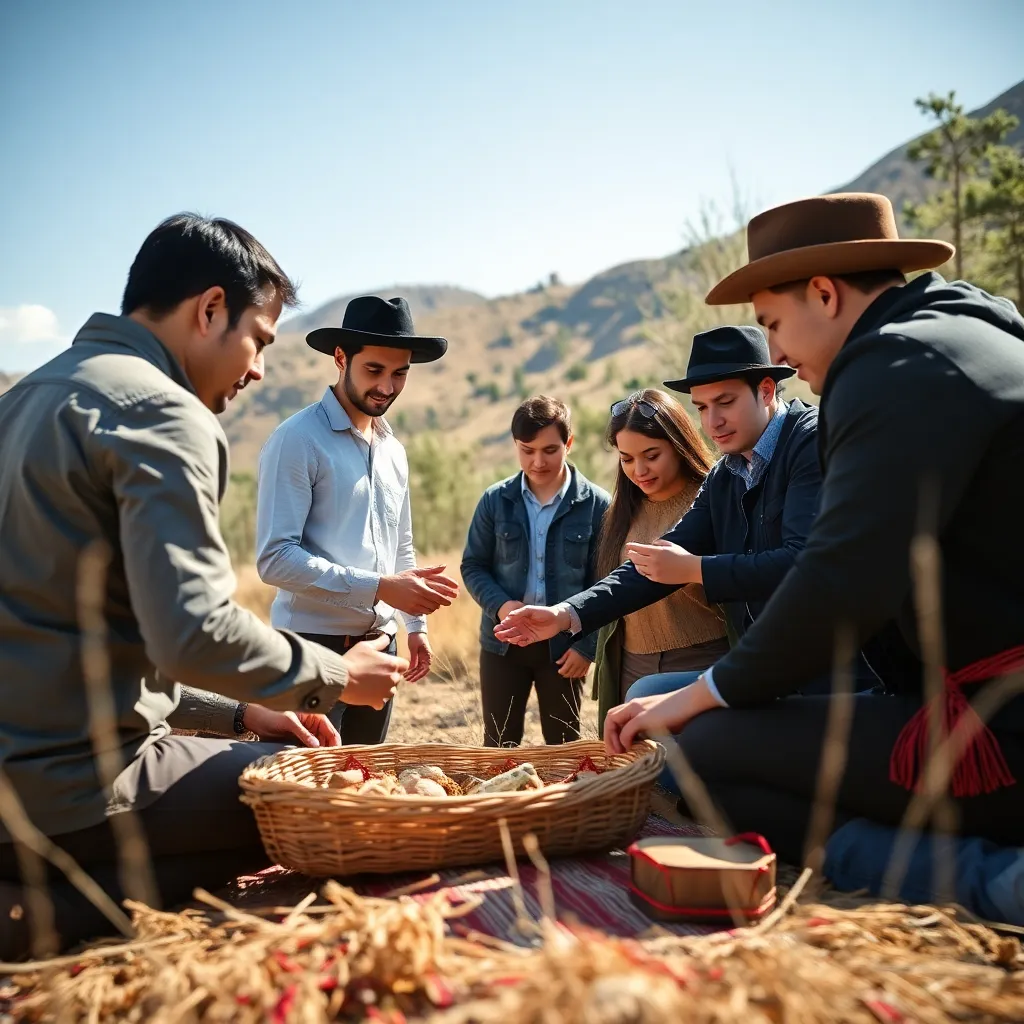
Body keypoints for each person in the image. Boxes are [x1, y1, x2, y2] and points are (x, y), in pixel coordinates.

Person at [0, 214, 406, 958]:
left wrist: (246, 715)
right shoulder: (163, 411)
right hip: (73, 789)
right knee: (313, 800)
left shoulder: (26, 398)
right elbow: (191, 633)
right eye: (258, 339)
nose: (256, 369)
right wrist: (339, 676)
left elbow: (92, 643)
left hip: (19, 781)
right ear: (208, 309)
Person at [600, 192, 1024, 864]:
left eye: (772, 322)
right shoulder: (975, 330)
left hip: (996, 730)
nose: (776, 351)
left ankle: (986, 879)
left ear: (824, 293)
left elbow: (839, 580)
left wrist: (702, 694)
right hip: (968, 700)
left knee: (694, 743)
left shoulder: (889, 366)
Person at [255, 296, 458, 744]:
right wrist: (382, 587)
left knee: (366, 786)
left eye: (400, 372)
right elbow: (275, 560)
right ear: (341, 359)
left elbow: (400, 545)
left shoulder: (394, 450)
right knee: (302, 792)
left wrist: (414, 627)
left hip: (382, 646)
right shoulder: (296, 440)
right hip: (309, 647)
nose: (388, 385)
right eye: (374, 370)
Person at [461, 396, 610, 746]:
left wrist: (586, 648)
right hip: (502, 646)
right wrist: (501, 607)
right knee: (498, 746)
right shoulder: (494, 501)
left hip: (565, 650)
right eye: (527, 450)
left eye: (550, 450)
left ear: (569, 444)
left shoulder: (598, 505)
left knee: (563, 749)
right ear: (515, 445)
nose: (538, 461)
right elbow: (473, 565)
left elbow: (605, 583)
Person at [590, 389, 728, 730]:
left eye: (651, 455)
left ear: (679, 445)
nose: (639, 470)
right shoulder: (621, 512)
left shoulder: (712, 499)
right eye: (626, 459)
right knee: (637, 773)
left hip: (703, 661)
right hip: (630, 663)